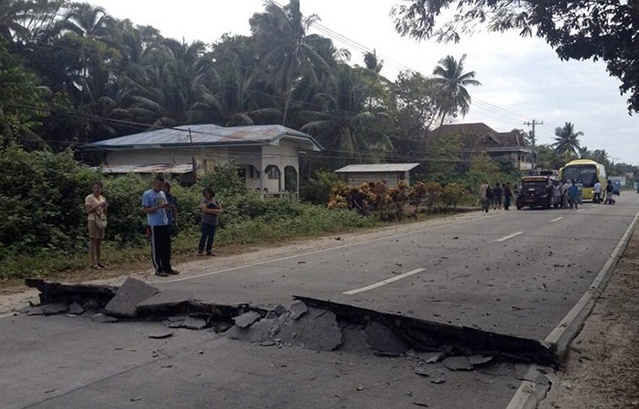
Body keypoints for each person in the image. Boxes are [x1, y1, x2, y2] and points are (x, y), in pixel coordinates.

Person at [142, 175, 178, 277]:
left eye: (162, 186)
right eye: (159, 185)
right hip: (155, 224)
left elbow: (164, 206)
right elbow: (146, 210)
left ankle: (167, 267)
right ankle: (158, 269)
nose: (160, 187)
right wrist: (159, 207)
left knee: (166, 247)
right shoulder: (147, 194)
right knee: (157, 248)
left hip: (164, 222)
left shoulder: (162, 194)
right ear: (154, 184)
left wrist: (167, 208)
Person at [85, 181, 108, 269]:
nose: (96, 190)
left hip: (100, 219)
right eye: (95, 188)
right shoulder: (89, 198)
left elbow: (105, 212)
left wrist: (105, 207)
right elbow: (88, 211)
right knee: (93, 239)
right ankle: (92, 262)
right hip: (92, 219)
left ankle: (99, 261)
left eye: (98, 188)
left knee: (99, 241)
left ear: (101, 189)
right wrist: (98, 205)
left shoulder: (103, 198)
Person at [197, 188, 223, 256]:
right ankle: (200, 250)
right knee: (204, 236)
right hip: (205, 221)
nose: (206, 195)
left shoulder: (215, 201)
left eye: (207, 193)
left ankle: (209, 250)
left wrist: (217, 211)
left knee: (211, 236)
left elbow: (220, 209)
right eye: (205, 194)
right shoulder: (204, 201)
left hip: (213, 222)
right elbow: (204, 209)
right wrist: (214, 211)